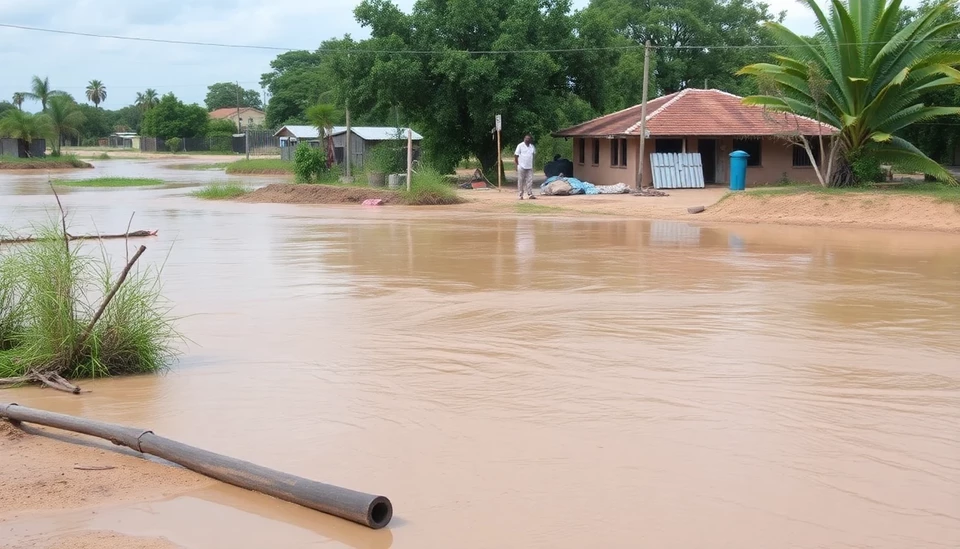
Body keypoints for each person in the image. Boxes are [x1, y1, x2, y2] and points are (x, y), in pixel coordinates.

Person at [514, 134, 536, 200]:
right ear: (524, 139)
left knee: (530, 180)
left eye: (529, 139)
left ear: (530, 140)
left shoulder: (532, 147)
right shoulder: (520, 146)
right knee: (521, 180)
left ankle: (530, 194)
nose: (527, 140)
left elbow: (533, 155)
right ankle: (520, 195)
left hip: (529, 166)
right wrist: (517, 164)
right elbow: (516, 155)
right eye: (526, 138)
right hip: (521, 166)